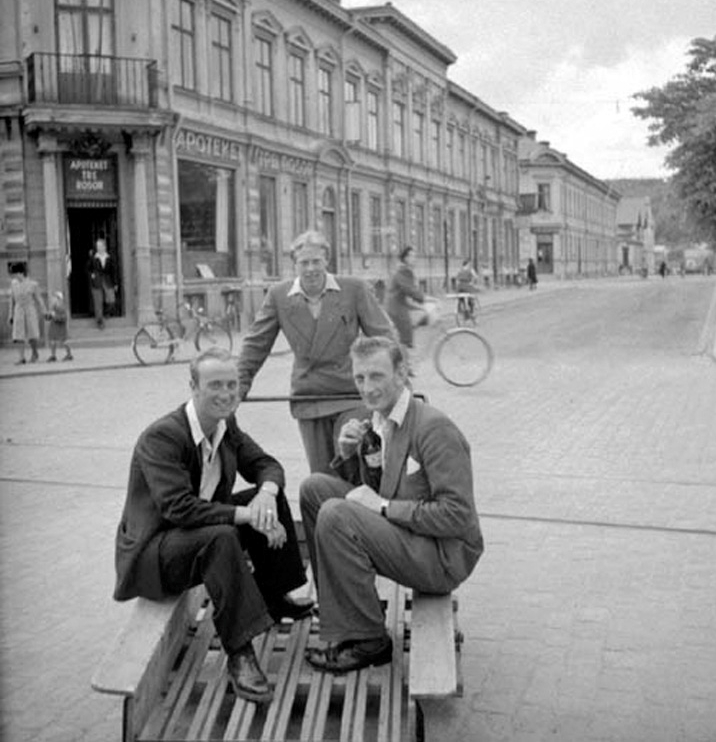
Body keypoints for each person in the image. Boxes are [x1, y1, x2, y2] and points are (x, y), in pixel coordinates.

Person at [113, 348, 313, 703]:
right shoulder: (162, 436)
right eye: (215, 385)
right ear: (193, 386)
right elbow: (179, 509)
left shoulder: (225, 425)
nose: (225, 393)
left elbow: (267, 465)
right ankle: (240, 653)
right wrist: (248, 515)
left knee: (268, 497)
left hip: (196, 533)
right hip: (156, 551)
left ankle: (273, 596)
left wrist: (265, 494)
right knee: (222, 535)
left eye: (232, 385)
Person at [300, 336, 484, 674]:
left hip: (441, 556)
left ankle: (370, 640)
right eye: (359, 378)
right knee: (315, 489)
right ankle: (338, 605)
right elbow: (375, 488)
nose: (367, 389)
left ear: (401, 374)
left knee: (336, 513)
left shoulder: (433, 427)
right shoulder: (379, 420)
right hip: (407, 534)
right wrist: (346, 456)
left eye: (377, 376)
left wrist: (383, 507)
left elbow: (458, 515)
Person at [238, 230, 396, 473]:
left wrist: (397, 381)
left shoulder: (353, 289)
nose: (310, 269)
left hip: (350, 394)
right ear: (295, 264)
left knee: (357, 466)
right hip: (309, 397)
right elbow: (255, 345)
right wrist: (237, 386)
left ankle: (362, 509)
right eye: (304, 262)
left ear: (327, 261)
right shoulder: (279, 296)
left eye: (316, 261)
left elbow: (384, 337)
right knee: (322, 473)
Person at [385, 246, 425, 351]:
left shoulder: (403, 270)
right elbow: (410, 291)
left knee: (404, 336)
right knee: (405, 339)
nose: (415, 259)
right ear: (406, 258)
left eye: (415, 256)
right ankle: (404, 364)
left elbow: (406, 294)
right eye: (412, 256)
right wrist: (424, 299)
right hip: (397, 308)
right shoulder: (404, 271)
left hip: (397, 305)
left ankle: (401, 361)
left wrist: (420, 306)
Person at [8, 261, 46, 365]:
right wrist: (10, 315)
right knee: (18, 335)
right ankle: (21, 357)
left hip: (30, 310)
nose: (14, 276)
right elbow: (12, 300)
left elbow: (39, 299)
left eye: (15, 274)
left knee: (32, 334)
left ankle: (34, 352)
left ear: (20, 273)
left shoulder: (33, 284)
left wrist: (44, 311)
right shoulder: (13, 284)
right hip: (19, 310)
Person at [87, 238, 117, 329]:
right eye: (97, 246)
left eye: (100, 246)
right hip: (97, 281)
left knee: (111, 299)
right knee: (98, 302)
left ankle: (107, 312)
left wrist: (115, 283)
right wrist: (91, 275)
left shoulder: (109, 257)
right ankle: (100, 321)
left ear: (104, 247)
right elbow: (88, 268)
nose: (98, 248)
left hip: (107, 280)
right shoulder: (93, 258)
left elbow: (113, 271)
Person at [45, 290, 73, 362]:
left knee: (64, 342)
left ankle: (69, 354)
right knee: (52, 341)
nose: (52, 300)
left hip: (60, 328)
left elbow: (63, 318)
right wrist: (48, 316)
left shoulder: (62, 307)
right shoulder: (53, 308)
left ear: (58, 299)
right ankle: (53, 355)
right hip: (54, 328)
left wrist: (55, 316)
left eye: (54, 299)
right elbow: (49, 317)